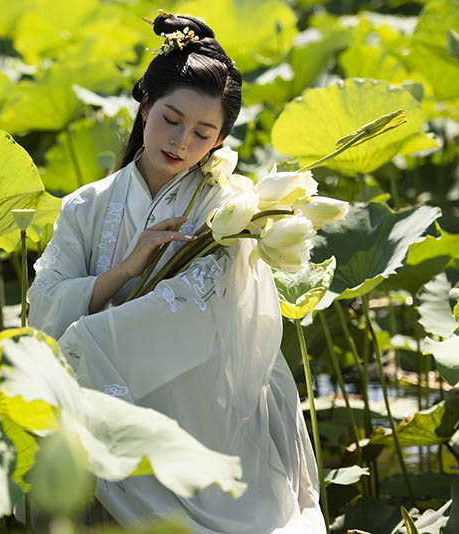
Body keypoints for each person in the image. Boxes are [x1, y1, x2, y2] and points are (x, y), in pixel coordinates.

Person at [27, 11, 326, 534]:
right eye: (171, 119)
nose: (181, 141)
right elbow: (45, 303)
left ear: (219, 142)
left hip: (203, 405)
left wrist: (90, 345)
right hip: (112, 394)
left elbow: (205, 311)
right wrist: (126, 268)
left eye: (202, 132)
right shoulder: (85, 205)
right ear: (145, 106)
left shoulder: (227, 206)